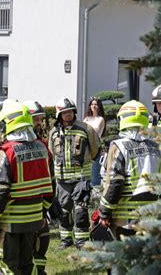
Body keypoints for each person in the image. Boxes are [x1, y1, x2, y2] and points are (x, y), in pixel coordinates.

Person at [0, 101, 54, 274]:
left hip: (9, 224)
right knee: (26, 266)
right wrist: (41, 213)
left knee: (3, 266)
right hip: (33, 221)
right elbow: (50, 187)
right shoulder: (42, 148)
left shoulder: (7, 152)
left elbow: (0, 192)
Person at [99, 101, 160, 239]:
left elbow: (114, 182)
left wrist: (104, 212)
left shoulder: (119, 146)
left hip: (125, 218)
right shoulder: (156, 147)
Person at [48, 98, 100, 249]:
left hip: (81, 178)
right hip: (62, 180)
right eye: (65, 113)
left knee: (81, 210)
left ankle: (82, 241)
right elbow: (52, 153)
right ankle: (65, 240)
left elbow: (95, 149)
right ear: (59, 115)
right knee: (64, 211)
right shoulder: (54, 132)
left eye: (70, 111)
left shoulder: (86, 129)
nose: (68, 115)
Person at [23, 100, 54, 274]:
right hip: (21, 204)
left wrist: (47, 205)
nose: (39, 123)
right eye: (36, 119)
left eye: (41, 119)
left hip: (40, 200)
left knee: (42, 236)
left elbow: (50, 176)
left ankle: (39, 269)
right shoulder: (13, 146)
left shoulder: (40, 144)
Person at [83, 97, 106, 186]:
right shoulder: (87, 118)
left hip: (96, 147)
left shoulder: (100, 119)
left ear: (99, 106)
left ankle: (95, 194)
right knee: (86, 173)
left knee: (95, 174)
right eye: (92, 104)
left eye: (96, 104)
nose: (94, 106)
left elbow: (94, 131)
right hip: (85, 148)